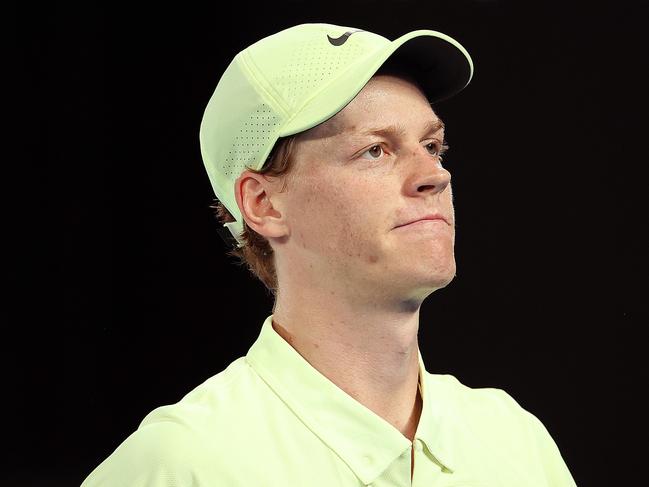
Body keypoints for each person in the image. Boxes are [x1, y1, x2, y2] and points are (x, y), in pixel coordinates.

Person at [81, 23, 578, 486]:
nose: (435, 175)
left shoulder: (513, 440)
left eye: (433, 146)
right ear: (264, 203)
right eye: (375, 150)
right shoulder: (183, 462)